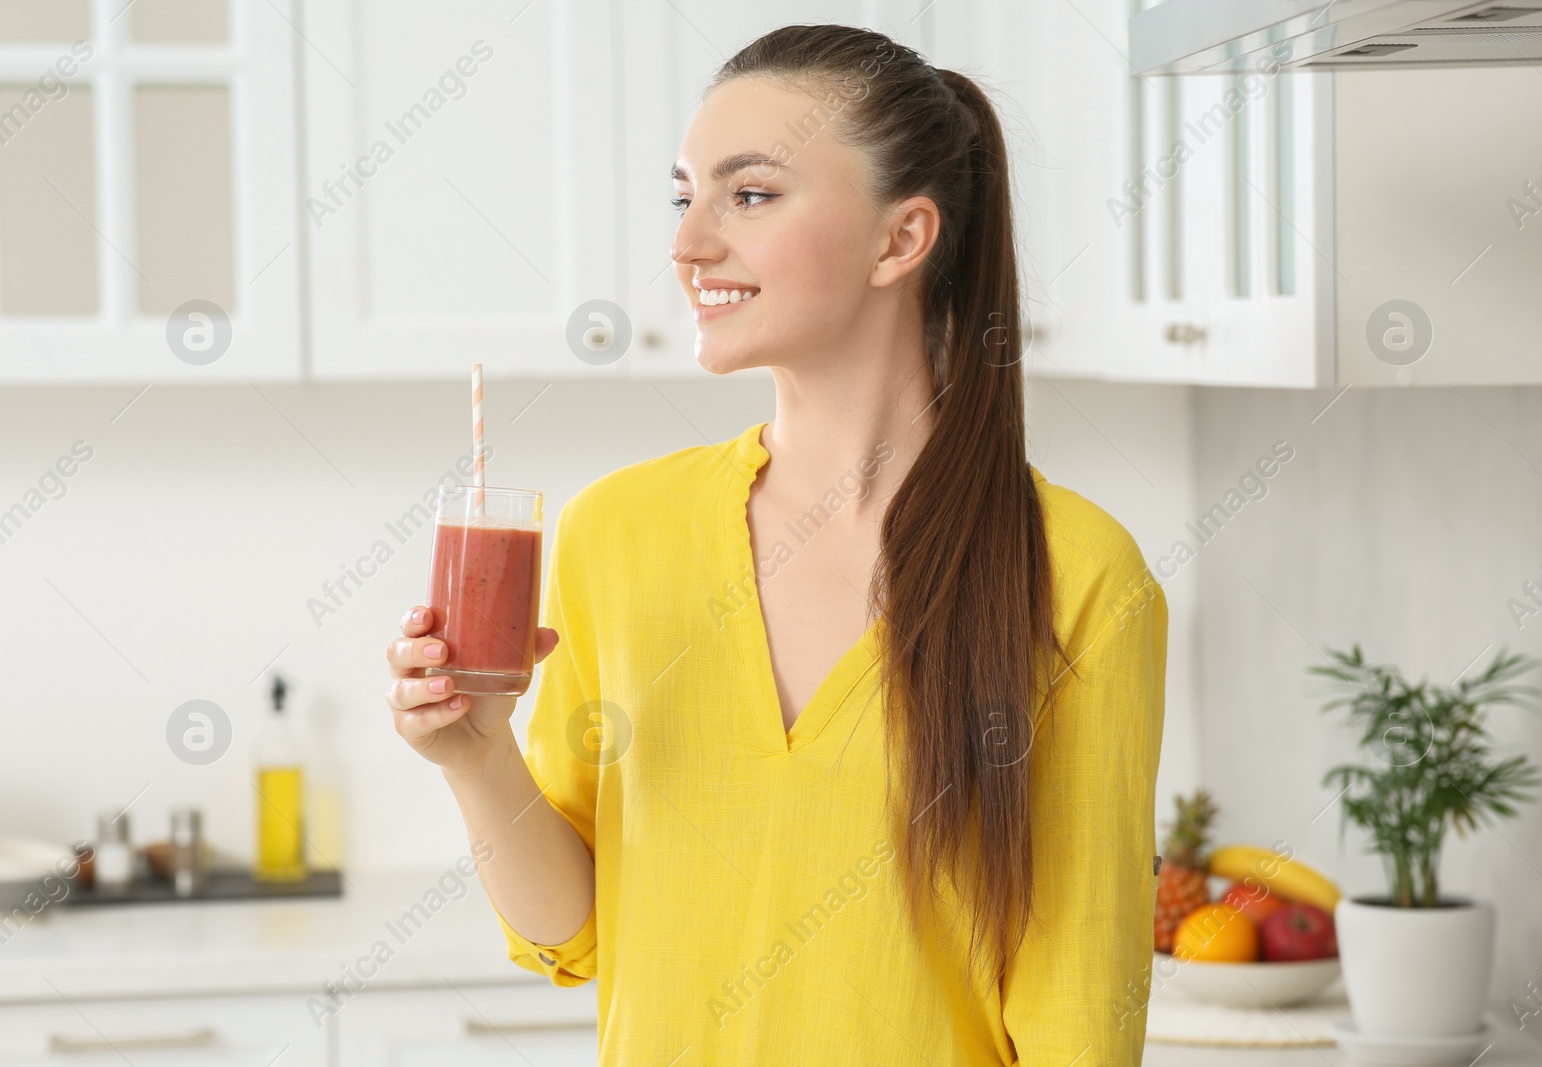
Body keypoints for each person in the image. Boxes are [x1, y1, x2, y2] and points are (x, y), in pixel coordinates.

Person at [387, 23, 1167, 1065]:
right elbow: (570, 932)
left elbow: (1079, 1015)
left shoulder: (1078, 576)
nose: (687, 244)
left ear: (902, 239)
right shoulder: (616, 533)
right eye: (684, 196)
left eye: (748, 195)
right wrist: (477, 758)